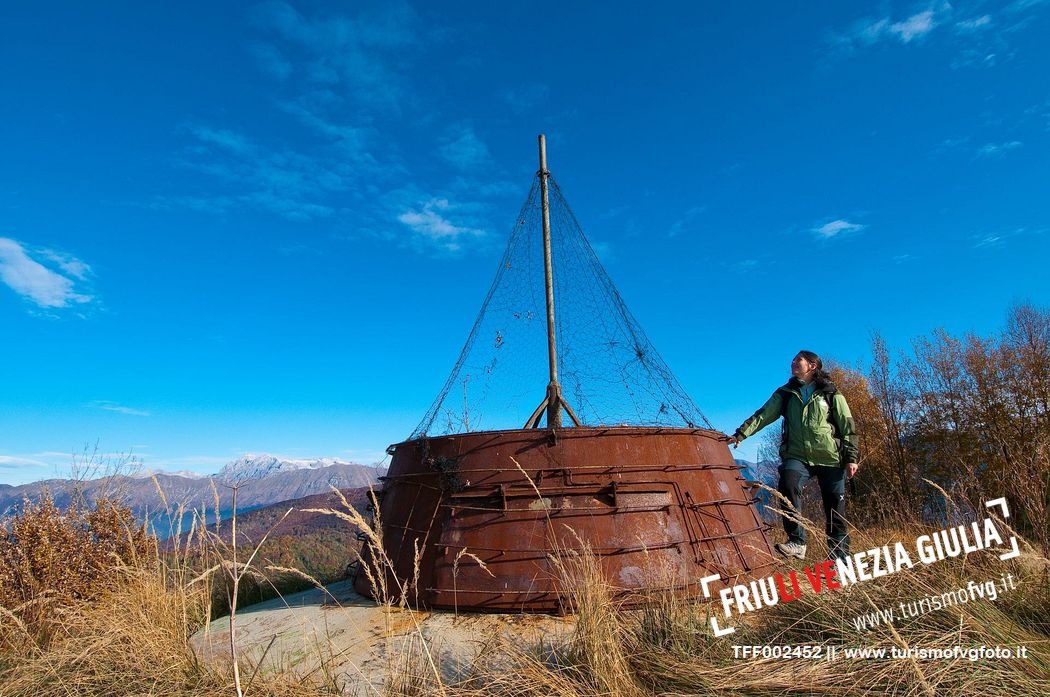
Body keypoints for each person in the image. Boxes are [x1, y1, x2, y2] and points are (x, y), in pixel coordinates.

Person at [721, 350, 859, 562]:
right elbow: (763, 415)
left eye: (798, 360)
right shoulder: (786, 393)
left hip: (831, 458)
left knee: (835, 508)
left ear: (813, 365)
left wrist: (851, 457)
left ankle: (839, 559)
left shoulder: (831, 393)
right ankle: (797, 542)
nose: (793, 363)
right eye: (793, 360)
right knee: (787, 482)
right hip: (796, 456)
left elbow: (847, 426)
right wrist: (741, 434)